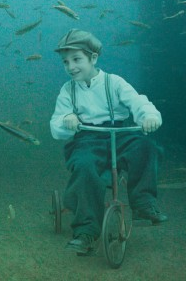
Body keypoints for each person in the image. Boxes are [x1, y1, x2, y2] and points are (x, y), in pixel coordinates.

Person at [49, 28, 166, 255]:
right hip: (87, 138)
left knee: (146, 147)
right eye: (65, 62)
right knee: (84, 167)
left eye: (76, 59)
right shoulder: (67, 91)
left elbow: (137, 102)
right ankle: (86, 231)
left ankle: (143, 204)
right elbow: (56, 124)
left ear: (93, 58)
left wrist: (149, 117)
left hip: (120, 133)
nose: (71, 67)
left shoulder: (114, 82)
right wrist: (67, 119)